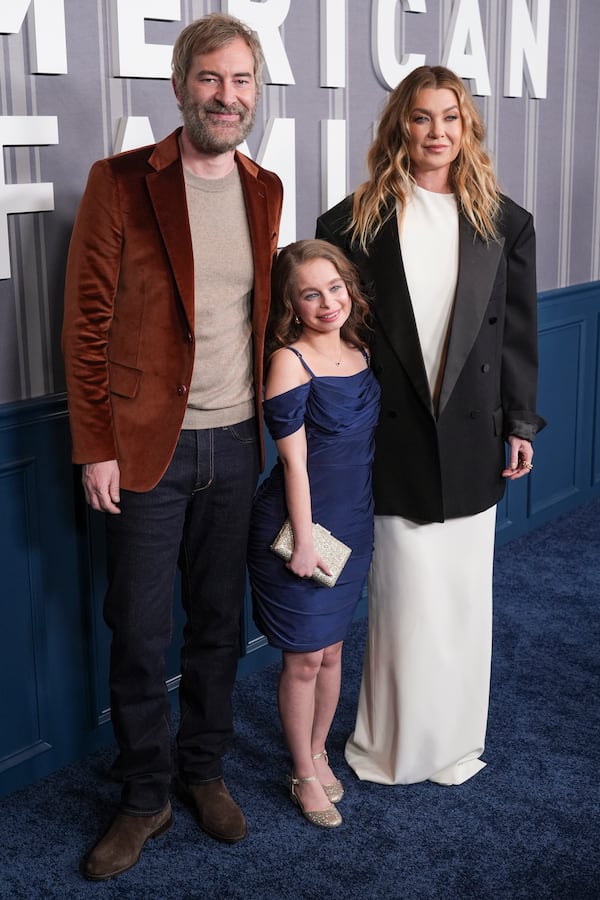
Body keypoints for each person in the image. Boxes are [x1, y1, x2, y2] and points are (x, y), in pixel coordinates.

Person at [62, 13, 283, 880]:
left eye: (240, 82)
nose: (225, 97)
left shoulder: (264, 188)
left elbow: (257, 318)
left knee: (219, 628)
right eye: (210, 79)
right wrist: (96, 447)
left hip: (237, 445)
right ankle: (145, 795)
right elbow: (85, 326)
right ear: (180, 85)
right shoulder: (119, 182)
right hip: (144, 453)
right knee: (141, 634)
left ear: (254, 93)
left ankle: (204, 772)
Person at [316, 65, 546, 787]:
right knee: (405, 599)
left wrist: (521, 424)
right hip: (392, 435)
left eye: (450, 118)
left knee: (462, 597)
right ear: (400, 128)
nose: (437, 132)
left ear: (467, 127)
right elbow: (332, 334)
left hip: (476, 432)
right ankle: (388, 744)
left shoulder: (504, 222)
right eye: (421, 118)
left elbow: (514, 335)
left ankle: (452, 742)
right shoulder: (350, 222)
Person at [247, 239, 380, 826]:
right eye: (310, 294)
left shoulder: (360, 351)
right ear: (292, 305)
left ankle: (319, 750)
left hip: (353, 521)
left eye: (335, 287)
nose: (328, 302)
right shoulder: (288, 362)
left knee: (331, 652)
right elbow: (294, 467)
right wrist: (303, 540)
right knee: (303, 660)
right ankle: (301, 770)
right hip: (298, 526)